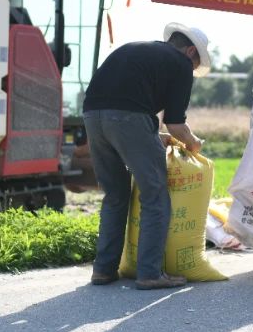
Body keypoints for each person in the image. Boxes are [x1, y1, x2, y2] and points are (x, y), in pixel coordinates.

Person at [82, 22, 210, 290]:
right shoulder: (181, 64)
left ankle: (103, 270)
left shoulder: (137, 50)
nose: (192, 70)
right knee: (155, 195)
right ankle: (150, 273)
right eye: (195, 65)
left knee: (115, 195)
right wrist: (193, 143)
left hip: (92, 117)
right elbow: (175, 124)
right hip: (128, 119)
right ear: (190, 52)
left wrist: (151, 134)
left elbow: (126, 105)